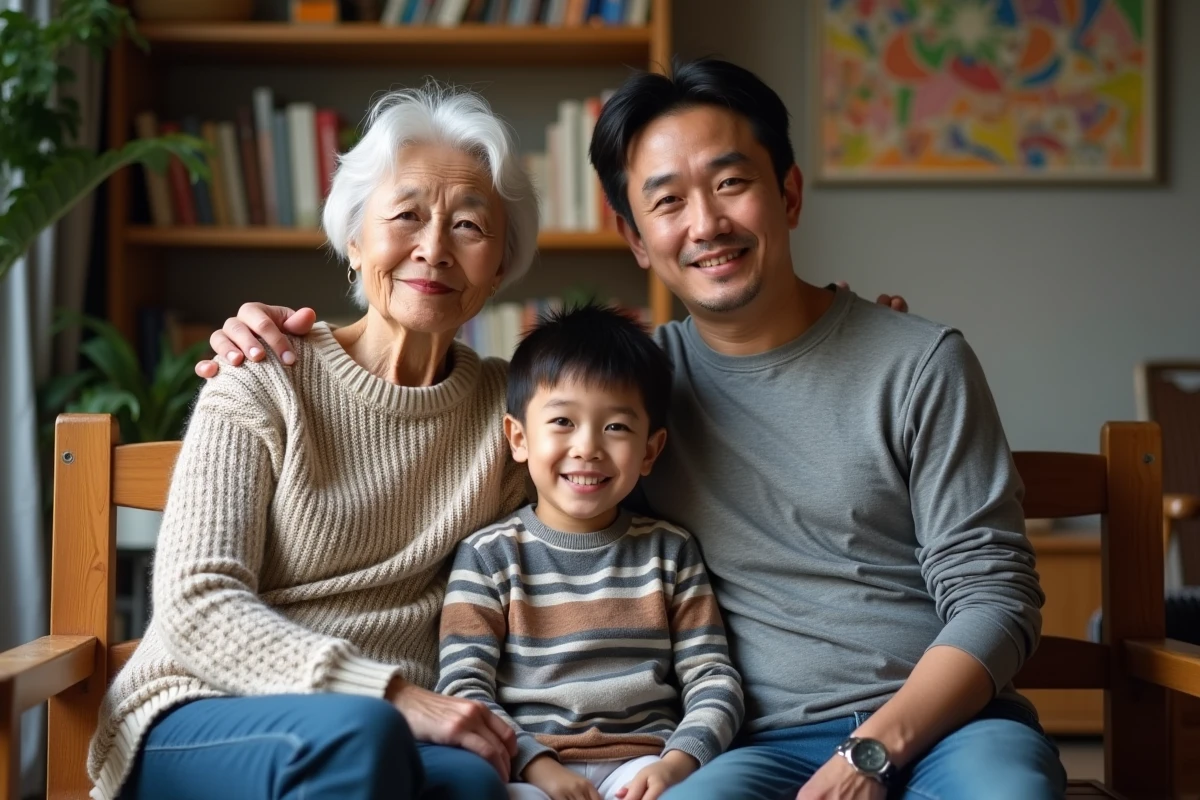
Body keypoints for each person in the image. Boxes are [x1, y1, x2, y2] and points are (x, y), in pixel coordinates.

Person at [87, 85, 541, 800]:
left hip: (400, 729)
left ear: (500, 267)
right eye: (406, 215)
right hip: (203, 706)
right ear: (355, 240)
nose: (433, 248)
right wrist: (388, 693)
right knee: (361, 736)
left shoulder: (512, 416)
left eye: (469, 226)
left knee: (473, 785)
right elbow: (197, 602)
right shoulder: (264, 376)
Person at [435, 303, 744, 800]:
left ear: (650, 450)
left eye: (616, 427)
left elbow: (712, 677)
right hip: (529, 766)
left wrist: (678, 762)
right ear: (519, 438)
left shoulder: (670, 551)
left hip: (646, 762)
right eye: (562, 421)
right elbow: (462, 686)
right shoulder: (489, 555)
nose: (588, 448)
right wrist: (535, 765)